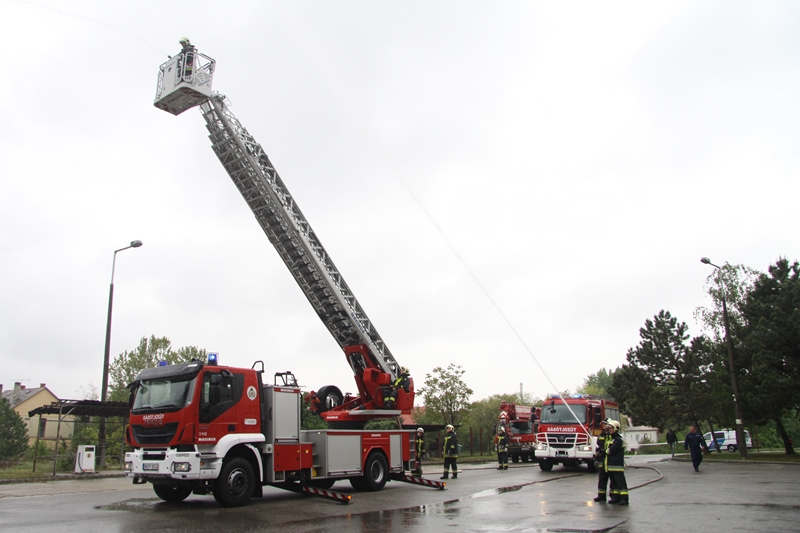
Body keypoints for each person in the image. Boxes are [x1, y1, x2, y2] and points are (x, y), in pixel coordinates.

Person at [605, 420, 629, 505]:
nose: (610, 429)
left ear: (616, 428)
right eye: (610, 428)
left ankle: (624, 499)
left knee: (620, 483)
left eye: (611, 428)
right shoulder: (613, 439)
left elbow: (612, 450)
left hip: (617, 465)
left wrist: (605, 451)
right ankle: (615, 497)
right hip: (611, 465)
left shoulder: (618, 440)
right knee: (613, 483)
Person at [593, 419, 614, 503]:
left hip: (610, 461)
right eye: (603, 424)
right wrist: (598, 454)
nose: (604, 426)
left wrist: (604, 451)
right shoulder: (601, 435)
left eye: (605, 424)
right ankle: (601, 496)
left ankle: (613, 496)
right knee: (602, 479)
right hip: (602, 461)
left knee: (613, 480)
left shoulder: (612, 436)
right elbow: (598, 446)